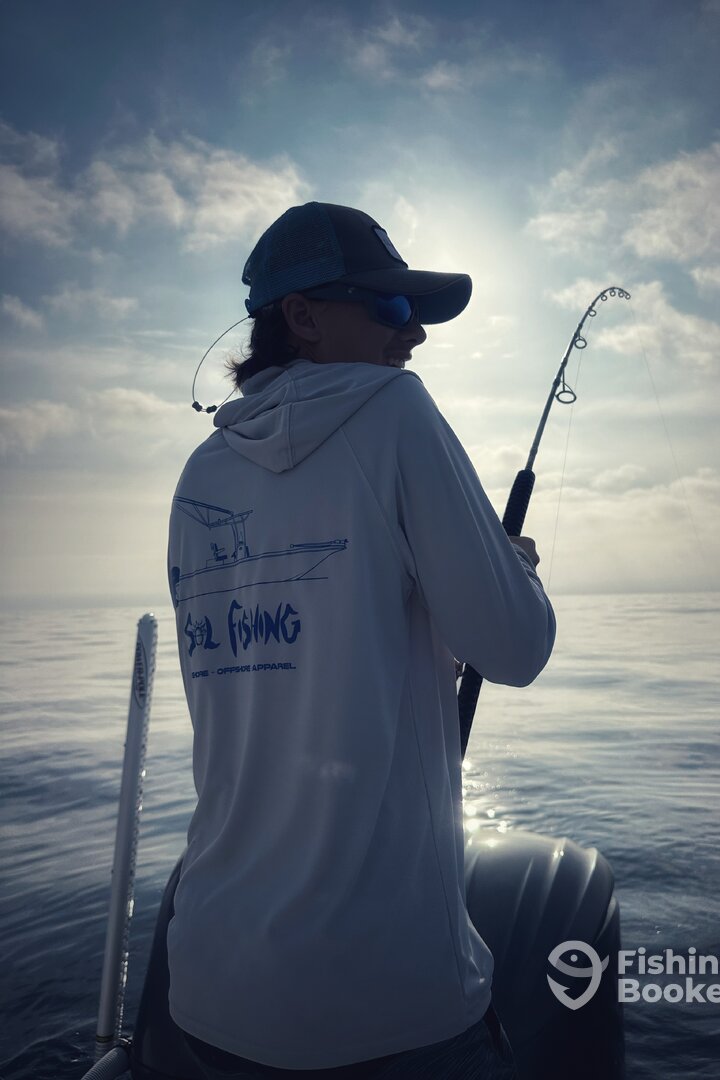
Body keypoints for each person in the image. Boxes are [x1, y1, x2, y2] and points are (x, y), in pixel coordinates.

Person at [167, 201, 556, 1078]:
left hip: (210, 986)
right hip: (384, 1005)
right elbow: (514, 648)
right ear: (302, 316)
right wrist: (509, 565)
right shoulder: (393, 408)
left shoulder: (200, 473)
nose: (412, 332)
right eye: (390, 306)